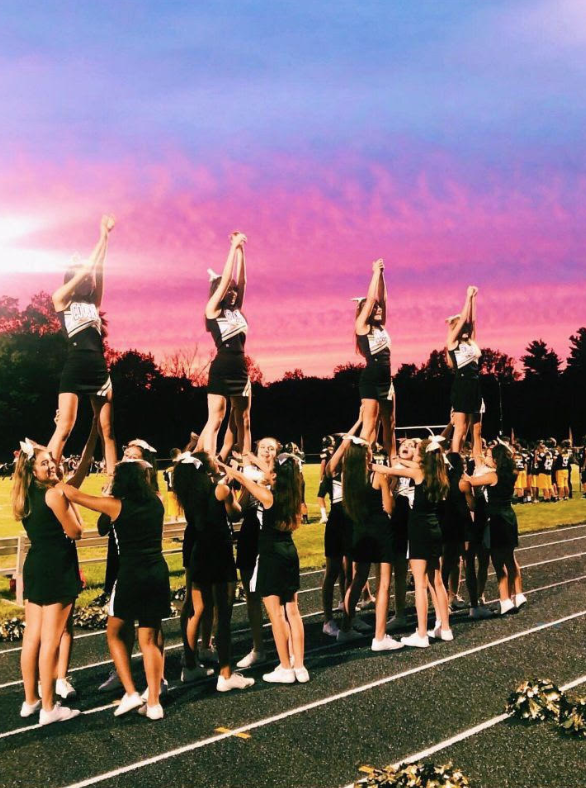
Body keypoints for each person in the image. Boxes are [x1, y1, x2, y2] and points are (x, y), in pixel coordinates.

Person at [59, 459, 171, 719]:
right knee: (150, 641)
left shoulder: (115, 506)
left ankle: (131, 692)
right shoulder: (157, 501)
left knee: (115, 634)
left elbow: (72, 493)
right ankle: (154, 703)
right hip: (157, 572)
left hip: (131, 575)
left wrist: (55, 479)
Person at [221, 453, 309, 684]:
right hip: (290, 552)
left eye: (271, 469)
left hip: (270, 555)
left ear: (276, 475)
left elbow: (242, 478)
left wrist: (225, 467)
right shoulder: (294, 493)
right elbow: (272, 473)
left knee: (276, 614)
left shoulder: (269, 496)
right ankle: (299, 666)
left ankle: (285, 668)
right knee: (293, 611)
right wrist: (254, 459)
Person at [12, 440, 84, 725]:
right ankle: (49, 708)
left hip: (36, 565)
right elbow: (76, 531)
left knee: (32, 638)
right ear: (33, 469)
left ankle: (31, 701)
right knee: (50, 641)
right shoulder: (53, 494)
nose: (52, 466)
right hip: (57, 567)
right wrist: (68, 497)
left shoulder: (23, 493)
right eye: (45, 463)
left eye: (52, 462)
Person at [173, 452, 254, 692]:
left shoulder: (187, 492)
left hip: (198, 553)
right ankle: (226, 673)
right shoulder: (220, 490)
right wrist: (245, 488)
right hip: (219, 553)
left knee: (197, 610)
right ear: (205, 468)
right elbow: (236, 513)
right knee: (224, 616)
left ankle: (189, 665)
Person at [48, 214, 117, 478]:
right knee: (64, 426)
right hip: (75, 367)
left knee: (107, 431)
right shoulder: (61, 299)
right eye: (83, 278)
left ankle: (114, 481)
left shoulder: (93, 304)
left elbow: (98, 269)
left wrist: (106, 238)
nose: (89, 281)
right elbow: (88, 269)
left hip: (99, 368)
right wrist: (102, 234)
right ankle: (49, 477)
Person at [373, 437, 452, 648]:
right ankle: (445, 628)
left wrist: (370, 465)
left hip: (419, 529)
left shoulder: (418, 472)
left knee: (420, 584)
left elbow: (390, 471)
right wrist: (401, 458)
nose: (413, 451)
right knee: (437, 581)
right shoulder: (440, 473)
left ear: (422, 455)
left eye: (416, 449)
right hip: (435, 528)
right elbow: (411, 464)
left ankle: (421, 634)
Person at [338, 435, 403, 652]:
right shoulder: (378, 476)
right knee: (383, 583)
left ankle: (345, 628)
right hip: (381, 531)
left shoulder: (348, 477)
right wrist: (391, 487)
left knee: (357, 580)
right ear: (366, 455)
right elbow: (389, 508)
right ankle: (379, 636)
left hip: (359, 530)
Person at [197, 232, 251, 457]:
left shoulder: (236, 310)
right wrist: (232, 247)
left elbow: (242, 281)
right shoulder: (213, 310)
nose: (232, 292)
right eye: (228, 289)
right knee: (216, 419)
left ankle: (246, 462)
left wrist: (241, 252)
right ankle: (208, 460)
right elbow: (229, 278)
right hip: (222, 366)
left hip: (241, 367)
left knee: (244, 419)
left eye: (233, 291)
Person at [235, 437, 281, 668]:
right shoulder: (250, 474)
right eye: (262, 447)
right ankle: (258, 647)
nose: (266, 451)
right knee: (251, 595)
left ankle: (286, 648)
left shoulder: (283, 472)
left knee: (276, 596)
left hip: (272, 537)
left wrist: (252, 465)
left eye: (271, 448)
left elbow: (275, 482)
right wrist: (245, 486)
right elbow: (238, 512)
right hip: (250, 533)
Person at [464, 442, 525, 615]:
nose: (485, 458)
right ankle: (518, 594)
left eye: (489, 456)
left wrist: (455, 468)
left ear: (497, 459)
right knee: (510, 559)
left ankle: (504, 600)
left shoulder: (493, 476)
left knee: (499, 564)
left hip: (496, 520)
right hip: (510, 517)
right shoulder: (513, 472)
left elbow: (471, 481)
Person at [355, 259, 396, 458]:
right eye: (375, 308)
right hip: (371, 377)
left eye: (379, 308)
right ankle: (361, 462)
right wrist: (374, 272)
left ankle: (393, 459)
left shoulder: (381, 325)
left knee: (390, 423)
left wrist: (382, 275)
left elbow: (382, 299)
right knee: (370, 423)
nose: (378, 309)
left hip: (386, 379)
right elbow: (371, 299)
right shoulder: (362, 326)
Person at [445, 286, 482, 455]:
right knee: (460, 428)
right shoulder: (453, 343)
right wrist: (467, 297)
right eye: (462, 328)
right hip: (462, 384)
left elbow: (471, 321)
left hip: (475, 385)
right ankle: (454, 460)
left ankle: (478, 462)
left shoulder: (471, 341)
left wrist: (473, 298)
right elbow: (463, 321)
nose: (466, 329)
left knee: (476, 430)